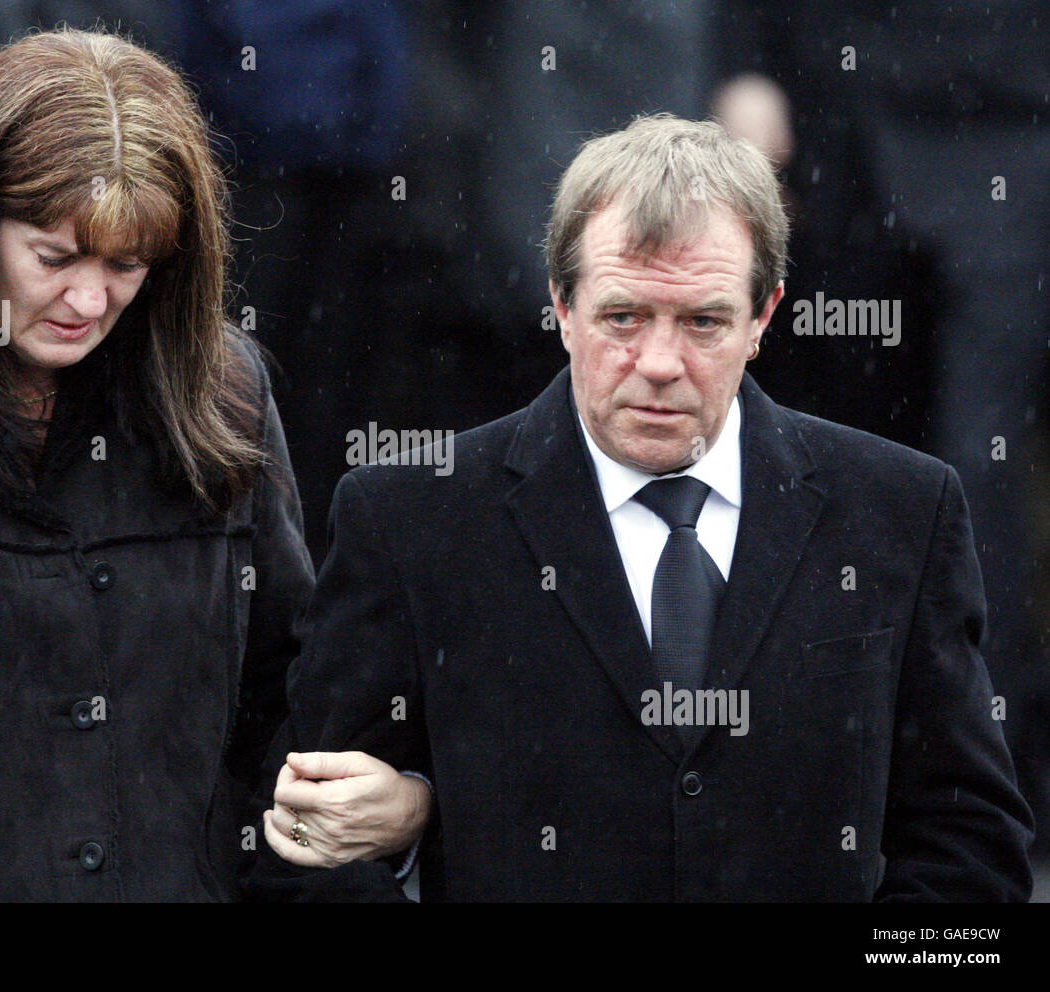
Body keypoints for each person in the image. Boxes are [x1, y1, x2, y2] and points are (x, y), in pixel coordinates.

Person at [252, 114, 1035, 901]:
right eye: (624, 317)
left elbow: (970, 848)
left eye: (704, 321)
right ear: (561, 305)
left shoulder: (902, 511)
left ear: (763, 317)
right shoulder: (411, 519)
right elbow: (302, 847)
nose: (660, 364)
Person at [0, 27, 424, 901]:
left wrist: (408, 802)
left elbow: (286, 702)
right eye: (54, 257)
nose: (87, 301)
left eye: (126, 265)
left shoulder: (219, 391)